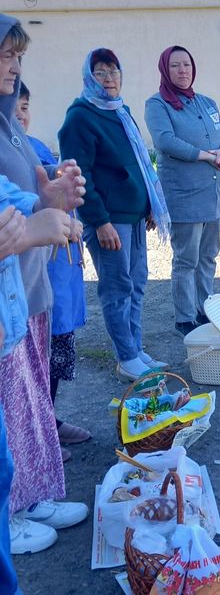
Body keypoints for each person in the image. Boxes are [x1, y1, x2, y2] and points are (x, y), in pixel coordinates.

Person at [0, 14, 90, 557]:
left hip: (22, 289)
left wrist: (51, 198)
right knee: (11, 409)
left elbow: (16, 194)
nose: (15, 65)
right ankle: (9, 514)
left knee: (28, 401)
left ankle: (29, 497)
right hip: (11, 287)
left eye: (18, 56)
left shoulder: (10, 123)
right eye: (6, 55)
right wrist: (35, 219)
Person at [59, 48, 170, 381]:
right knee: (117, 286)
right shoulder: (80, 117)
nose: (108, 79)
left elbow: (139, 163)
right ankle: (126, 356)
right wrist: (99, 220)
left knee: (136, 283)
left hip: (134, 215)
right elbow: (81, 175)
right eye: (100, 73)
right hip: (108, 220)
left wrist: (149, 205)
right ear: (88, 78)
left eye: (113, 71)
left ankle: (134, 349)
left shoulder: (121, 111)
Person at [15, 82, 89, 462]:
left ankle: (48, 426)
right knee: (24, 377)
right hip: (24, 280)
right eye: (14, 107)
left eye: (25, 106)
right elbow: (23, 205)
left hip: (56, 275)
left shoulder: (34, 147)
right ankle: (39, 441)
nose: (21, 114)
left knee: (53, 356)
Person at [145, 45, 220, 335]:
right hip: (184, 196)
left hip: (213, 195)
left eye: (186, 65)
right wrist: (207, 156)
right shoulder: (157, 104)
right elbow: (165, 141)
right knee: (186, 258)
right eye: (175, 66)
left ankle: (204, 308)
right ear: (165, 70)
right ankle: (185, 317)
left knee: (208, 256)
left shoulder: (206, 102)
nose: (182, 71)